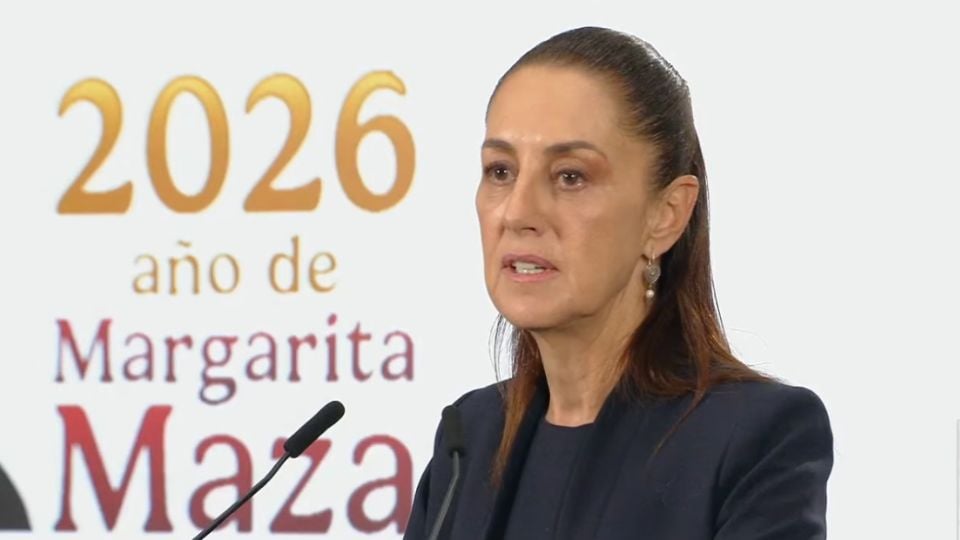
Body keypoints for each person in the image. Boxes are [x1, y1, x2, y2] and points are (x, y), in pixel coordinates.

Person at [405, 26, 833, 540]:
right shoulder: (468, 440)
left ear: (667, 214)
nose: (517, 212)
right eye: (500, 171)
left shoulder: (752, 438)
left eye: (570, 176)